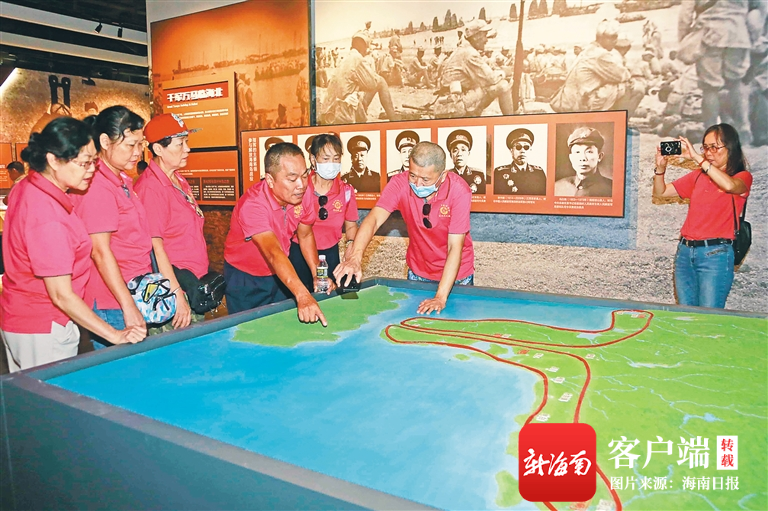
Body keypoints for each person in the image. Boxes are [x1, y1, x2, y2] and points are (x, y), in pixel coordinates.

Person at [0, 117, 145, 372]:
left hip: (23, 317)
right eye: (84, 163)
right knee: (48, 396)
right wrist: (115, 335)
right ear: (54, 160)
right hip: (44, 323)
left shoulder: (31, 185)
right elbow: (61, 295)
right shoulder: (48, 215)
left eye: (94, 162)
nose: (91, 170)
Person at [74, 106, 190, 349]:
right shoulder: (98, 186)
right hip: (112, 300)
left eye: (140, 144)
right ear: (105, 141)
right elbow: (100, 251)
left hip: (133, 291)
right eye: (130, 145)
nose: (138, 152)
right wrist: (128, 306)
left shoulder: (121, 180)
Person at [334, 142, 475, 315]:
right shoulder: (399, 183)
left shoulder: (459, 191)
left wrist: (440, 297)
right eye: (413, 175)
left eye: (426, 180)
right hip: (418, 271)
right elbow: (374, 219)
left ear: (443, 175)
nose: (418, 184)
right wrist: (355, 258)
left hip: (457, 277)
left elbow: (455, 247)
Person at [223, 142, 327, 325]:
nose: (301, 185)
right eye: (292, 179)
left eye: (305, 175)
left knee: (282, 327)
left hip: (281, 271)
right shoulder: (253, 205)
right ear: (270, 180)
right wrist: (303, 295)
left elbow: (305, 235)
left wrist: (317, 274)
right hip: (246, 278)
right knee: (250, 332)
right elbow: (272, 253)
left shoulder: (304, 192)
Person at [652, 123, 752, 308]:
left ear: (730, 148)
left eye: (714, 147)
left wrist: (697, 158)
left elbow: (729, 186)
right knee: (686, 314)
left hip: (715, 254)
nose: (709, 152)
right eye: (705, 147)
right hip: (685, 252)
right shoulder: (698, 176)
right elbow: (661, 192)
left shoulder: (742, 176)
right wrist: (660, 169)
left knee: (709, 316)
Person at [135, 113, 209, 331]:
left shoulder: (178, 179)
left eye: (187, 142)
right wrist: (176, 295)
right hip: (173, 291)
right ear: (158, 149)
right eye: (180, 143)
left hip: (191, 285)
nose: (188, 149)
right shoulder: (151, 188)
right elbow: (155, 247)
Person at [288, 133, 358, 293]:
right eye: (326, 159)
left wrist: (351, 244)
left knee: (330, 298)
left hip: (330, 255)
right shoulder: (300, 189)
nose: (331, 164)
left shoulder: (346, 191)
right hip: (298, 253)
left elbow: (351, 225)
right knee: (299, 298)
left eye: (336, 158)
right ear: (313, 160)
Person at [551, 19, 631, 112]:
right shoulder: (600, 54)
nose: (615, 41)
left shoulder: (588, 49)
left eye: (616, 37)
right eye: (612, 38)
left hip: (568, 101)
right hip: (579, 104)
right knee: (630, 86)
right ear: (601, 38)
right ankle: (619, 119)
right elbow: (622, 75)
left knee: (612, 85)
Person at [438, 19, 514, 116]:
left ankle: (475, 113)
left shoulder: (462, 50)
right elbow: (491, 78)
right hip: (455, 104)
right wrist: (504, 72)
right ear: (476, 37)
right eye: (484, 35)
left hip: (449, 100)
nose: (486, 40)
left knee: (483, 87)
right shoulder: (470, 54)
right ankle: (510, 119)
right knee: (503, 85)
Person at [320, 31, 398, 124]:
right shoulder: (357, 58)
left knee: (358, 92)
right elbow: (373, 84)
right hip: (340, 115)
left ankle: (363, 113)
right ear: (363, 47)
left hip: (328, 112)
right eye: (367, 47)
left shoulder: (345, 59)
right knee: (381, 82)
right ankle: (394, 121)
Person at [554, 126, 613, 197]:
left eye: (589, 152)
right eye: (577, 152)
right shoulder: (557, 187)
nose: (583, 158)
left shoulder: (612, 189)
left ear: (599, 156)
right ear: (571, 158)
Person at [493, 128, 546, 195]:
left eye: (526, 147)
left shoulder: (539, 173)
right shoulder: (500, 173)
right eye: (518, 147)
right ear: (511, 151)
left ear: (530, 150)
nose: (522, 151)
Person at [445, 129, 485, 194]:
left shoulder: (478, 174)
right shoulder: (445, 176)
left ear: (468, 154)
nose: (459, 154)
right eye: (455, 151)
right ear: (451, 155)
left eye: (463, 150)